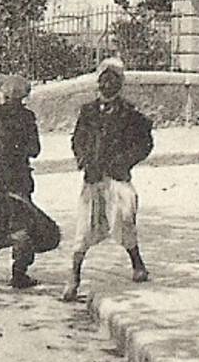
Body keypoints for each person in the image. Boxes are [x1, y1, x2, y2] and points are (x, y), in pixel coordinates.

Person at [61, 58, 154, 302]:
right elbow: (77, 140)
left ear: (120, 84)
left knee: (124, 218)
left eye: (113, 80)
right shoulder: (88, 111)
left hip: (117, 177)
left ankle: (137, 264)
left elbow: (144, 143)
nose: (107, 84)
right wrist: (83, 160)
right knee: (84, 227)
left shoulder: (130, 113)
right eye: (104, 79)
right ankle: (74, 276)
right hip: (93, 177)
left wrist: (124, 162)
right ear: (98, 82)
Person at [0, 73, 43, 288]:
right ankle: (19, 272)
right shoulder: (27, 117)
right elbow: (34, 150)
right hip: (17, 178)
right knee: (22, 225)